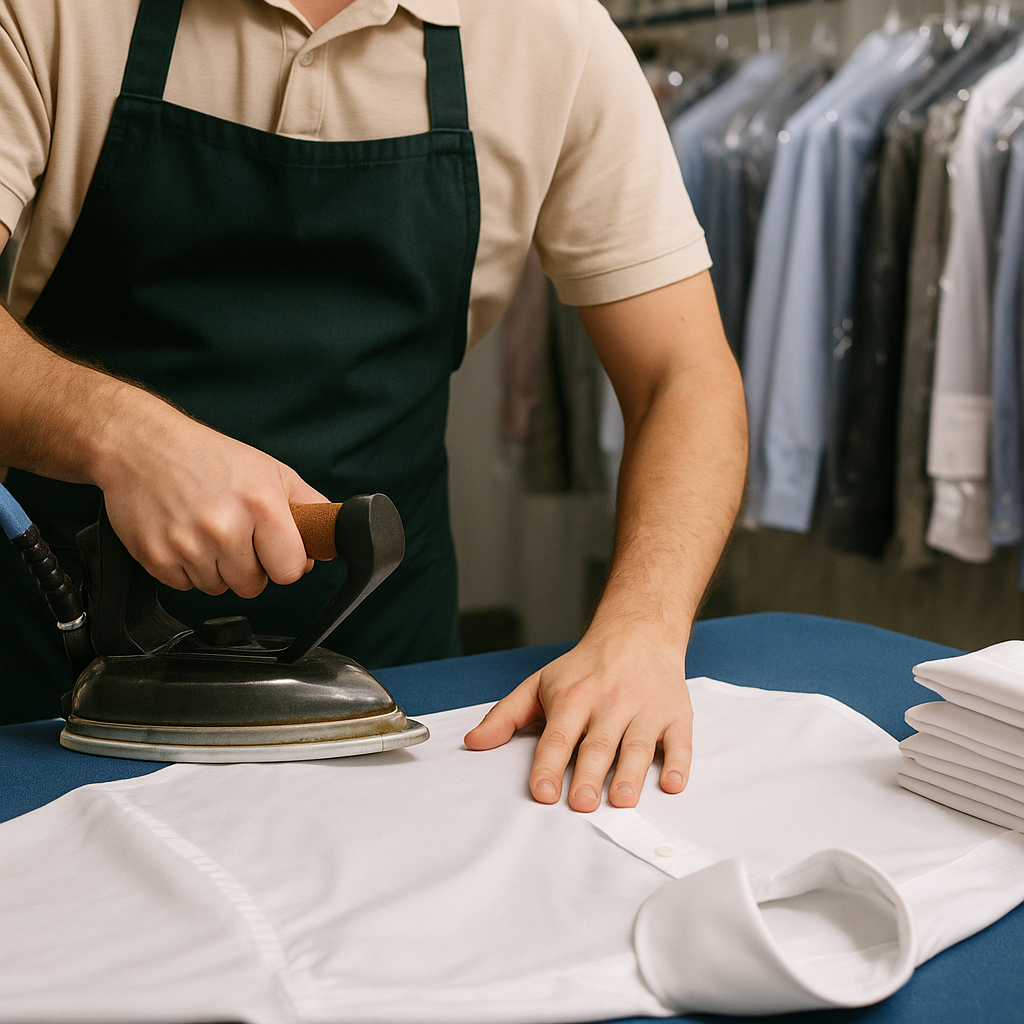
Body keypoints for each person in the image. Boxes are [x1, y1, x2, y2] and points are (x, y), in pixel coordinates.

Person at [0, 0, 747, 812]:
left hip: (392, 670)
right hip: (55, 667)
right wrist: (126, 439)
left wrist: (643, 629)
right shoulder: (49, 10)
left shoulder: (552, 33)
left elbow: (685, 375)